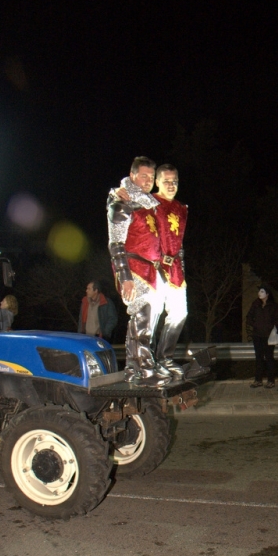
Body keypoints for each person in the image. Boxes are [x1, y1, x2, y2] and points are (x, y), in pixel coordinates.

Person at [114, 163, 188, 381]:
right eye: (166, 181)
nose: (171, 185)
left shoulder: (181, 208)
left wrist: (181, 266)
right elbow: (126, 195)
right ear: (158, 182)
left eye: (174, 181)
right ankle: (141, 365)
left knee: (179, 313)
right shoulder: (150, 203)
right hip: (151, 266)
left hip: (173, 267)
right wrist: (119, 191)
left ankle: (164, 358)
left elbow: (179, 242)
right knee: (147, 316)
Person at [107, 156, 169, 385]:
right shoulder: (122, 203)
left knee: (147, 319)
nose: (147, 180)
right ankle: (143, 366)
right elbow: (116, 243)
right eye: (143, 175)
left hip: (153, 270)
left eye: (151, 177)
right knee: (143, 315)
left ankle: (135, 367)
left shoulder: (149, 203)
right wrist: (125, 278)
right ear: (133, 175)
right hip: (134, 269)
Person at [245, 285, 278, 388]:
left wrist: (272, 328)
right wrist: (255, 325)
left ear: (267, 294)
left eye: (262, 292)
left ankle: (271, 380)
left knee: (269, 358)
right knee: (259, 358)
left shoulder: (273, 306)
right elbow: (248, 317)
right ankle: (258, 380)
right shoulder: (256, 304)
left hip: (269, 336)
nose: (259, 293)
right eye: (259, 291)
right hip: (257, 335)